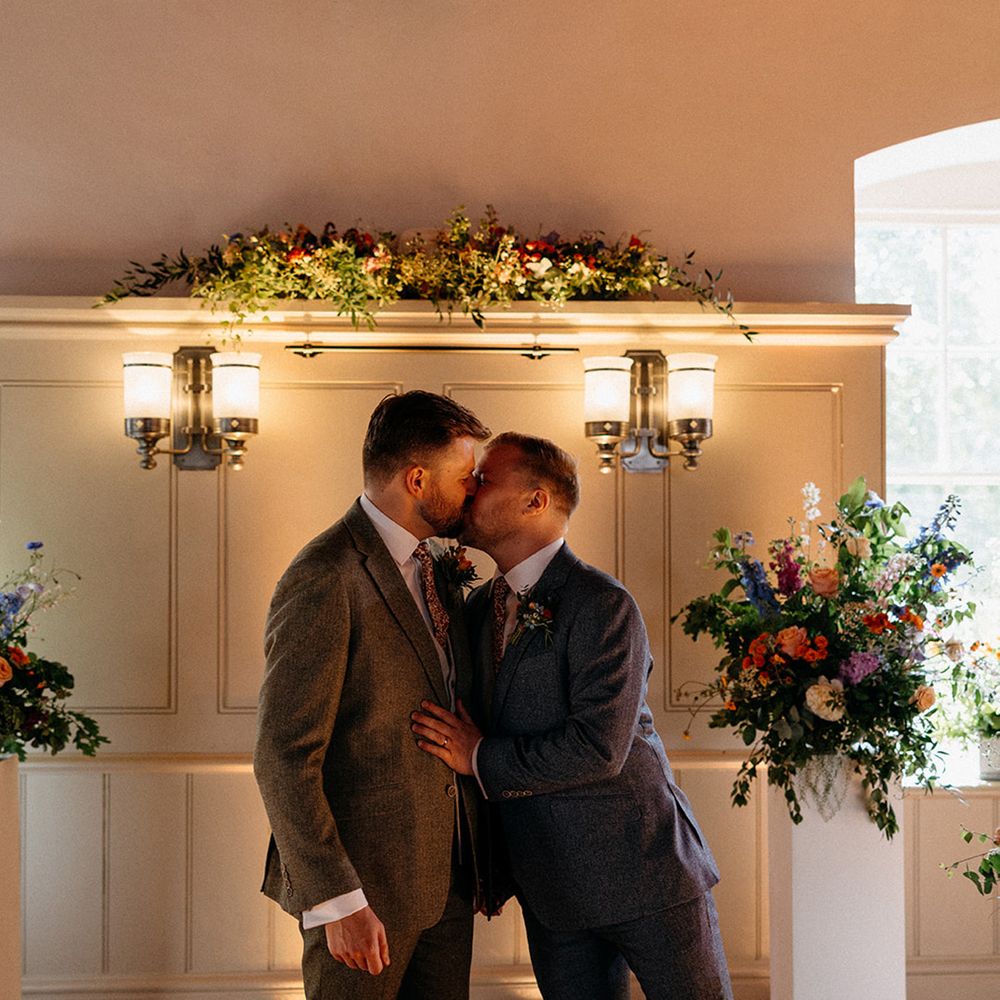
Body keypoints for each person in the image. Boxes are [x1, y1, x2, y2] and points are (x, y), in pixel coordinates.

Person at [411, 431, 733, 1000]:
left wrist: (478, 755)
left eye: (484, 480)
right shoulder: (483, 607)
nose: (468, 490)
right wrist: (493, 865)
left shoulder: (604, 604)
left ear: (535, 501)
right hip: (552, 889)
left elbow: (598, 748)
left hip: (646, 868)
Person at [254, 390, 490, 1000]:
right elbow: (283, 755)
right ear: (417, 479)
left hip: (447, 882)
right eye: (466, 477)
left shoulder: (438, 566)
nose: (475, 491)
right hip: (364, 893)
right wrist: (337, 902)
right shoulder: (324, 575)